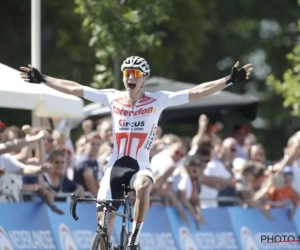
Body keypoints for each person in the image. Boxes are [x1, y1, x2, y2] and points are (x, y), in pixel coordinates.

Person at [20, 56, 253, 250]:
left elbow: (197, 92)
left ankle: (135, 235)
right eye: (127, 73)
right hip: (114, 168)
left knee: (142, 187)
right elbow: (75, 88)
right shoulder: (112, 97)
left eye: (136, 74)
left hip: (140, 166)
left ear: (145, 79)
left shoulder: (158, 99)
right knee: (103, 226)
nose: (130, 77)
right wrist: (43, 79)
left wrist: (229, 80)